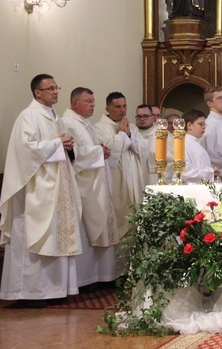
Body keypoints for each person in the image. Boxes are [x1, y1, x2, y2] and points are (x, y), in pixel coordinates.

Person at [0, 74, 83, 307]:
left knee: (57, 235)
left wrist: (68, 147)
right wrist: (58, 144)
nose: (56, 92)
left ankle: (54, 290)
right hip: (36, 190)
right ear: (37, 93)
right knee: (34, 234)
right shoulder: (29, 116)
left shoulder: (56, 118)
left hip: (58, 187)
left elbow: (64, 148)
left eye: (57, 87)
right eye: (50, 89)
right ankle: (28, 292)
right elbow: (25, 150)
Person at [61, 87, 119, 287]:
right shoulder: (68, 123)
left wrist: (103, 150)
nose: (93, 105)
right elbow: (72, 155)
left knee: (101, 227)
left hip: (97, 183)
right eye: (88, 101)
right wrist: (96, 152)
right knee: (86, 231)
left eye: (94, 101)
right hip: (84, 187)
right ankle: (85, 279)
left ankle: (101, 276)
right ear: (75, 103)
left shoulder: (86, 124)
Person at [95, 92, 142, 239]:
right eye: (117, 107)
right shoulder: (99, 128)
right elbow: (109, 153)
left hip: (133, 180)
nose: (122, 110)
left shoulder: (132, 128)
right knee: (119, 220)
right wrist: (122, 134)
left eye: (124, 106)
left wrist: (128, 135)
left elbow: (143, 149)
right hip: (116, 180)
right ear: (108, 109)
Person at [133, 104, 172, 186]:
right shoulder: (132, 134)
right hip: (135, 179)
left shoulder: (163, 134)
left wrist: (165, 180)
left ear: (153, 118)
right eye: (139, 117)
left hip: (155, 178)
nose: (142, 119)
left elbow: (171, 159)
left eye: (146, 116)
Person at [182, 109, 220, 184]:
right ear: (189, 125)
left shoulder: (196, 143)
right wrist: (210, 172)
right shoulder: (183, 144)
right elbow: (185, 173)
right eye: (200, 124)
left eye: (204, 124)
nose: (204, 127)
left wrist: (211, 172)